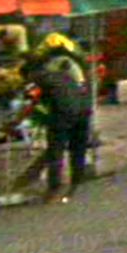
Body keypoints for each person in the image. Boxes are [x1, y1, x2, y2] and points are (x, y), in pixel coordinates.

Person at [15, 43, 92, 202]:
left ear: (28, 73)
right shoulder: (60, 73)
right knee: (78, 148)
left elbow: (32, 102)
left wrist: (16, 121)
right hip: (84, 108)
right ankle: (77, 183)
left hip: (64, 111)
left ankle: (54, 189)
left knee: (56, 149)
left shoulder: (36, 79)